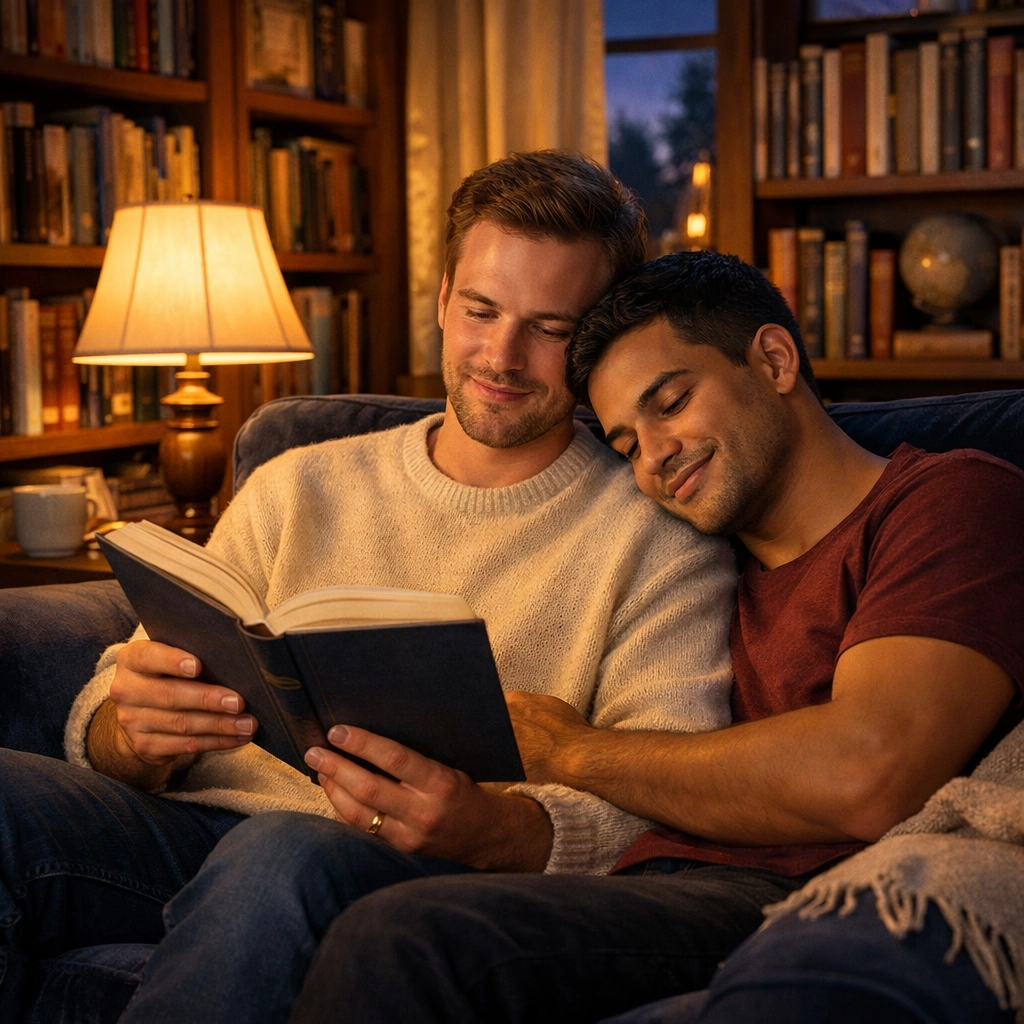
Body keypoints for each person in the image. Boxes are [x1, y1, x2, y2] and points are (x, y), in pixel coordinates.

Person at [0, 154, 739, 1024]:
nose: (501, 356)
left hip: (404, 870)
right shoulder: (297, 483)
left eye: (550, 326)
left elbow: (670, 800)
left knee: (283, 853)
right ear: (441, 301)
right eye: (480, 311)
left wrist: (498, 829)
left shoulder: (658, 532)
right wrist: (131, 728)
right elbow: (122, 689)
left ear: (598, 341)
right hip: (194, 828)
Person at [288, 249, 1023, 1024]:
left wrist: (572, 749)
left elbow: (870, 771)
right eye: (626, 444)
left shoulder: (950, 501)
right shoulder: (692, 568)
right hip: (636, 879)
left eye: (669, 403)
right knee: (315, 869)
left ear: (773, 358)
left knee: (407, 939)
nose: (656, 458)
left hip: (796, 895)